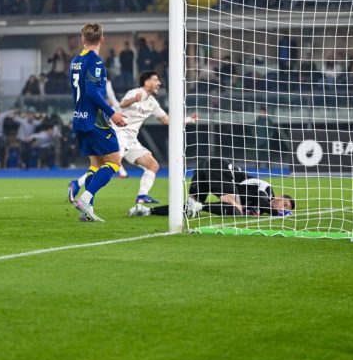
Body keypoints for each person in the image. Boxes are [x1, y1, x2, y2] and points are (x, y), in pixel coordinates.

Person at [69, 71, 194, 204]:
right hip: (119, 135)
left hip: (132, 140)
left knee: (152, 165)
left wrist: (189, 120)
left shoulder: (153, 103)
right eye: (156, 80)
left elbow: (167, 120)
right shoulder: (134, 92)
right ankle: (77, 186)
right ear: (146, 82)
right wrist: (134, 99)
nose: (159, 83)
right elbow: (122, 104)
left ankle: (142, 196)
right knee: (108, 166)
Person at [68, 23, 126, 222]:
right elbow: (93, 91)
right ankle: (85, 198)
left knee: (97, 164)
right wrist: (112, 113)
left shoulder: (75, 61)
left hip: (79, 118)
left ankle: (87, 211)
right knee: (115, 162)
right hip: (96, 120)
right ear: (102, 39)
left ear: (83, 40)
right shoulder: (96, 62)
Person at [128, 158, 295, 218]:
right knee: (235, 209)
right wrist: (277, 213)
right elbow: (262, 201)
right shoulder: (267, 189)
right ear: (279, 196)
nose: (282, 207)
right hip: (218, 167)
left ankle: (147, 211)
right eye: (285, 204)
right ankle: (200, 206)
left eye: (285, 208)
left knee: (187, 210)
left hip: (205, 169)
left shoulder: (258, 203)